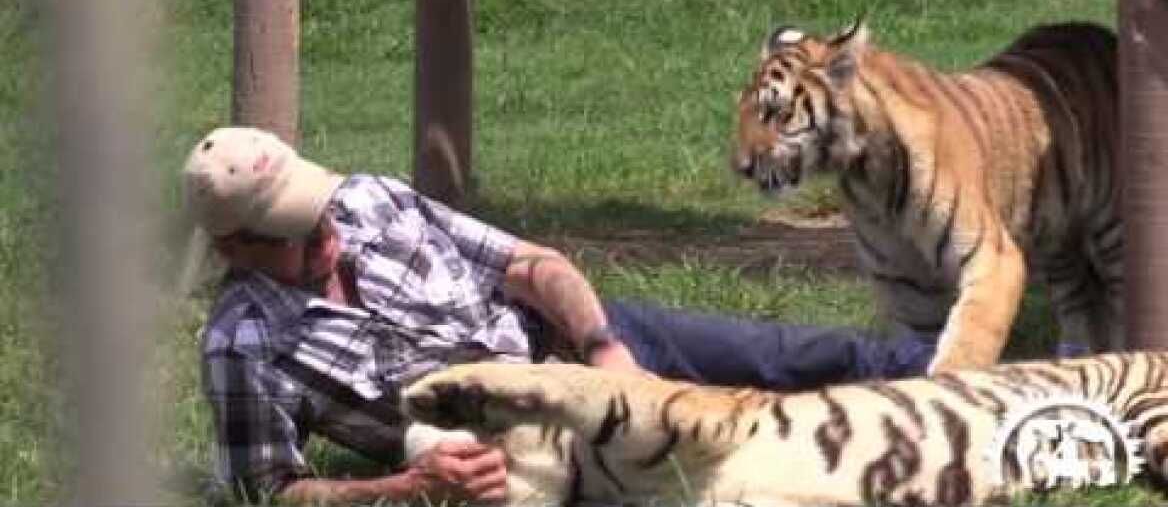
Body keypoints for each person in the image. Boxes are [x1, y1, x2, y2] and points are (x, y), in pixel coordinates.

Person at [184, 126, 935, 504]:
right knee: (762, 466)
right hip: (529, 447)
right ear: (236, 247)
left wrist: (605, 349)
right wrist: (404, 489)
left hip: (593, 343)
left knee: (803, 359)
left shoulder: (373, 198)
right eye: (301, 234)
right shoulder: (242, 344)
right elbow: (272, 488)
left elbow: (531, 265)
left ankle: (978, 379)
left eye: (323, 214)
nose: (330, 236)